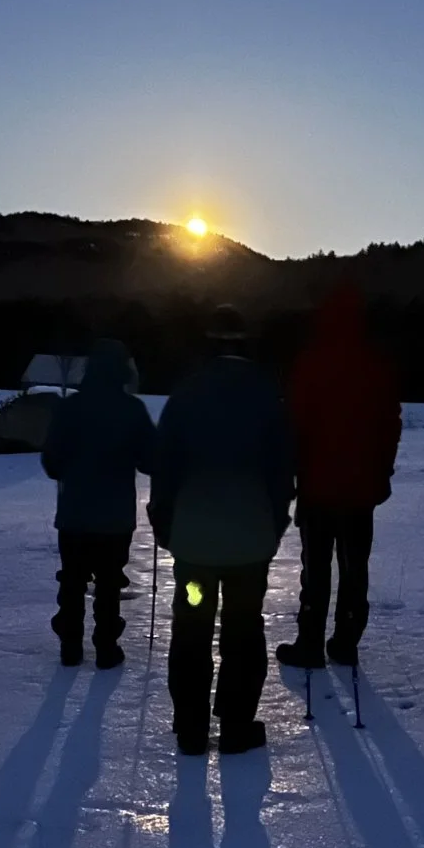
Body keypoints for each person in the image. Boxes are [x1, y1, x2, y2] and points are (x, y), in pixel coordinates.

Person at [150, 305, 294, 755]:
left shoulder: (185, 395)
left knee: (192, 626)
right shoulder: (268, 395)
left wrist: (165, 524)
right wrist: (276, 523)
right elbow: (281, 472)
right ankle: (235, 724)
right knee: (243, 627)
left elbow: (165, 469)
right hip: (249, 544)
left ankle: (191, 726)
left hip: (195, 545)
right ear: (245, 342)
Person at [275, 284, 402, 671]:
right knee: (354, 565)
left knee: (316, 567)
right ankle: (346, 640)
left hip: (317, 482)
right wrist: (382, 469)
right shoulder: (375, 363)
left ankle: (311, 641)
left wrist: (292, 470)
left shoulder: (312, 361)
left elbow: (294, 421)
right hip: (360, 486)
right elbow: (389, 423)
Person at [42, 338, 157, 668]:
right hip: (115, 517)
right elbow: (151, 460)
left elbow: (51, 462)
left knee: (73, 578)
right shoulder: (132, 409)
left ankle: (70, 644)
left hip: (75, 513)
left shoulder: (69, 408)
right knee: (109, 581)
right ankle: (106, 646)